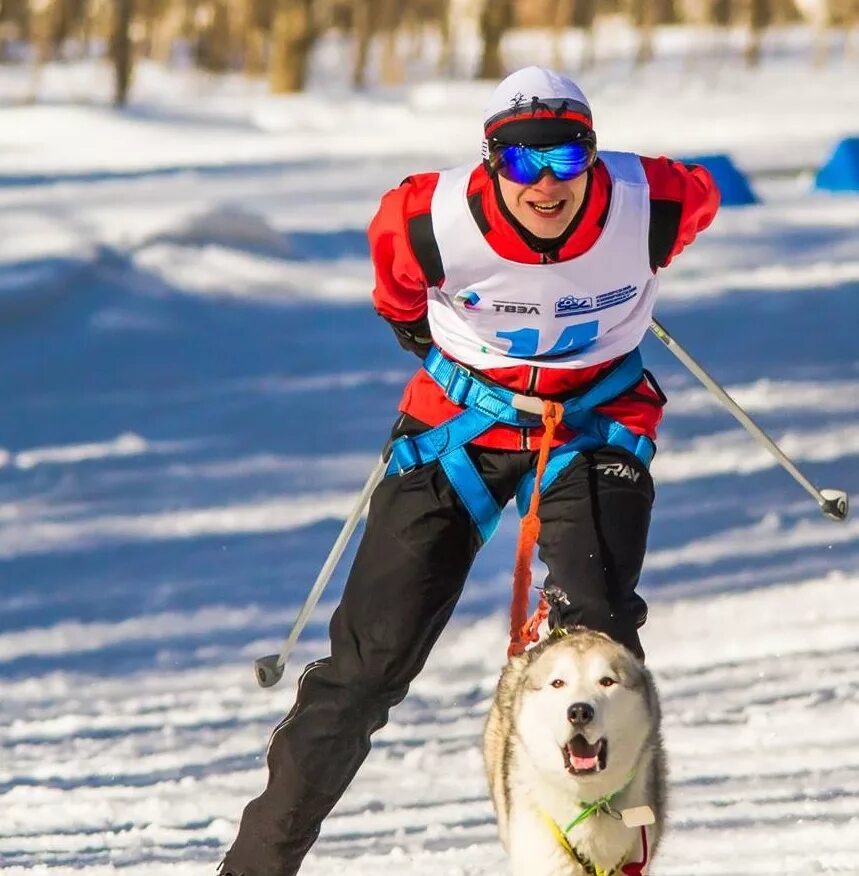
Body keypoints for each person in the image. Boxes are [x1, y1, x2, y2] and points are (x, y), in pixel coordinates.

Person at [218, 65, 719, 876]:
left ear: (593, 156)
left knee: (599, 640)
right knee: (367, 669)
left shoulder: (652, 201)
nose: (545, 181)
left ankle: (609, 858)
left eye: (566, 158)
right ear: (490, 161)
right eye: (522, 162)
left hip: (594, 426)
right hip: (458, 427)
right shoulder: (426, 217)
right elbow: (397, 301)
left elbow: (698, 197)